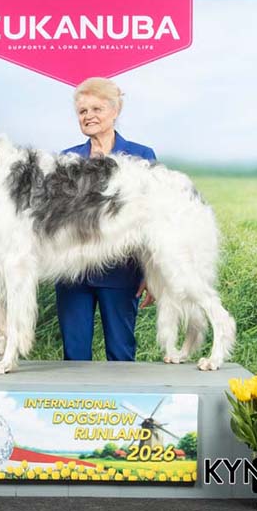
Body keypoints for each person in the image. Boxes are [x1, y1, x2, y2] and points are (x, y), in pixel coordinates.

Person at [55, 77, 156, 361]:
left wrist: (151, 272)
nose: (89, 116)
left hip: (121, 272)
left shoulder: (141, 156)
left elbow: (150, 217)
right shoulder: (66, 159)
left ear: (115, 111)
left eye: (96, 109)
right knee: (74, 357)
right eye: (82, 111)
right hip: (72, 274)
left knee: (121, 354)